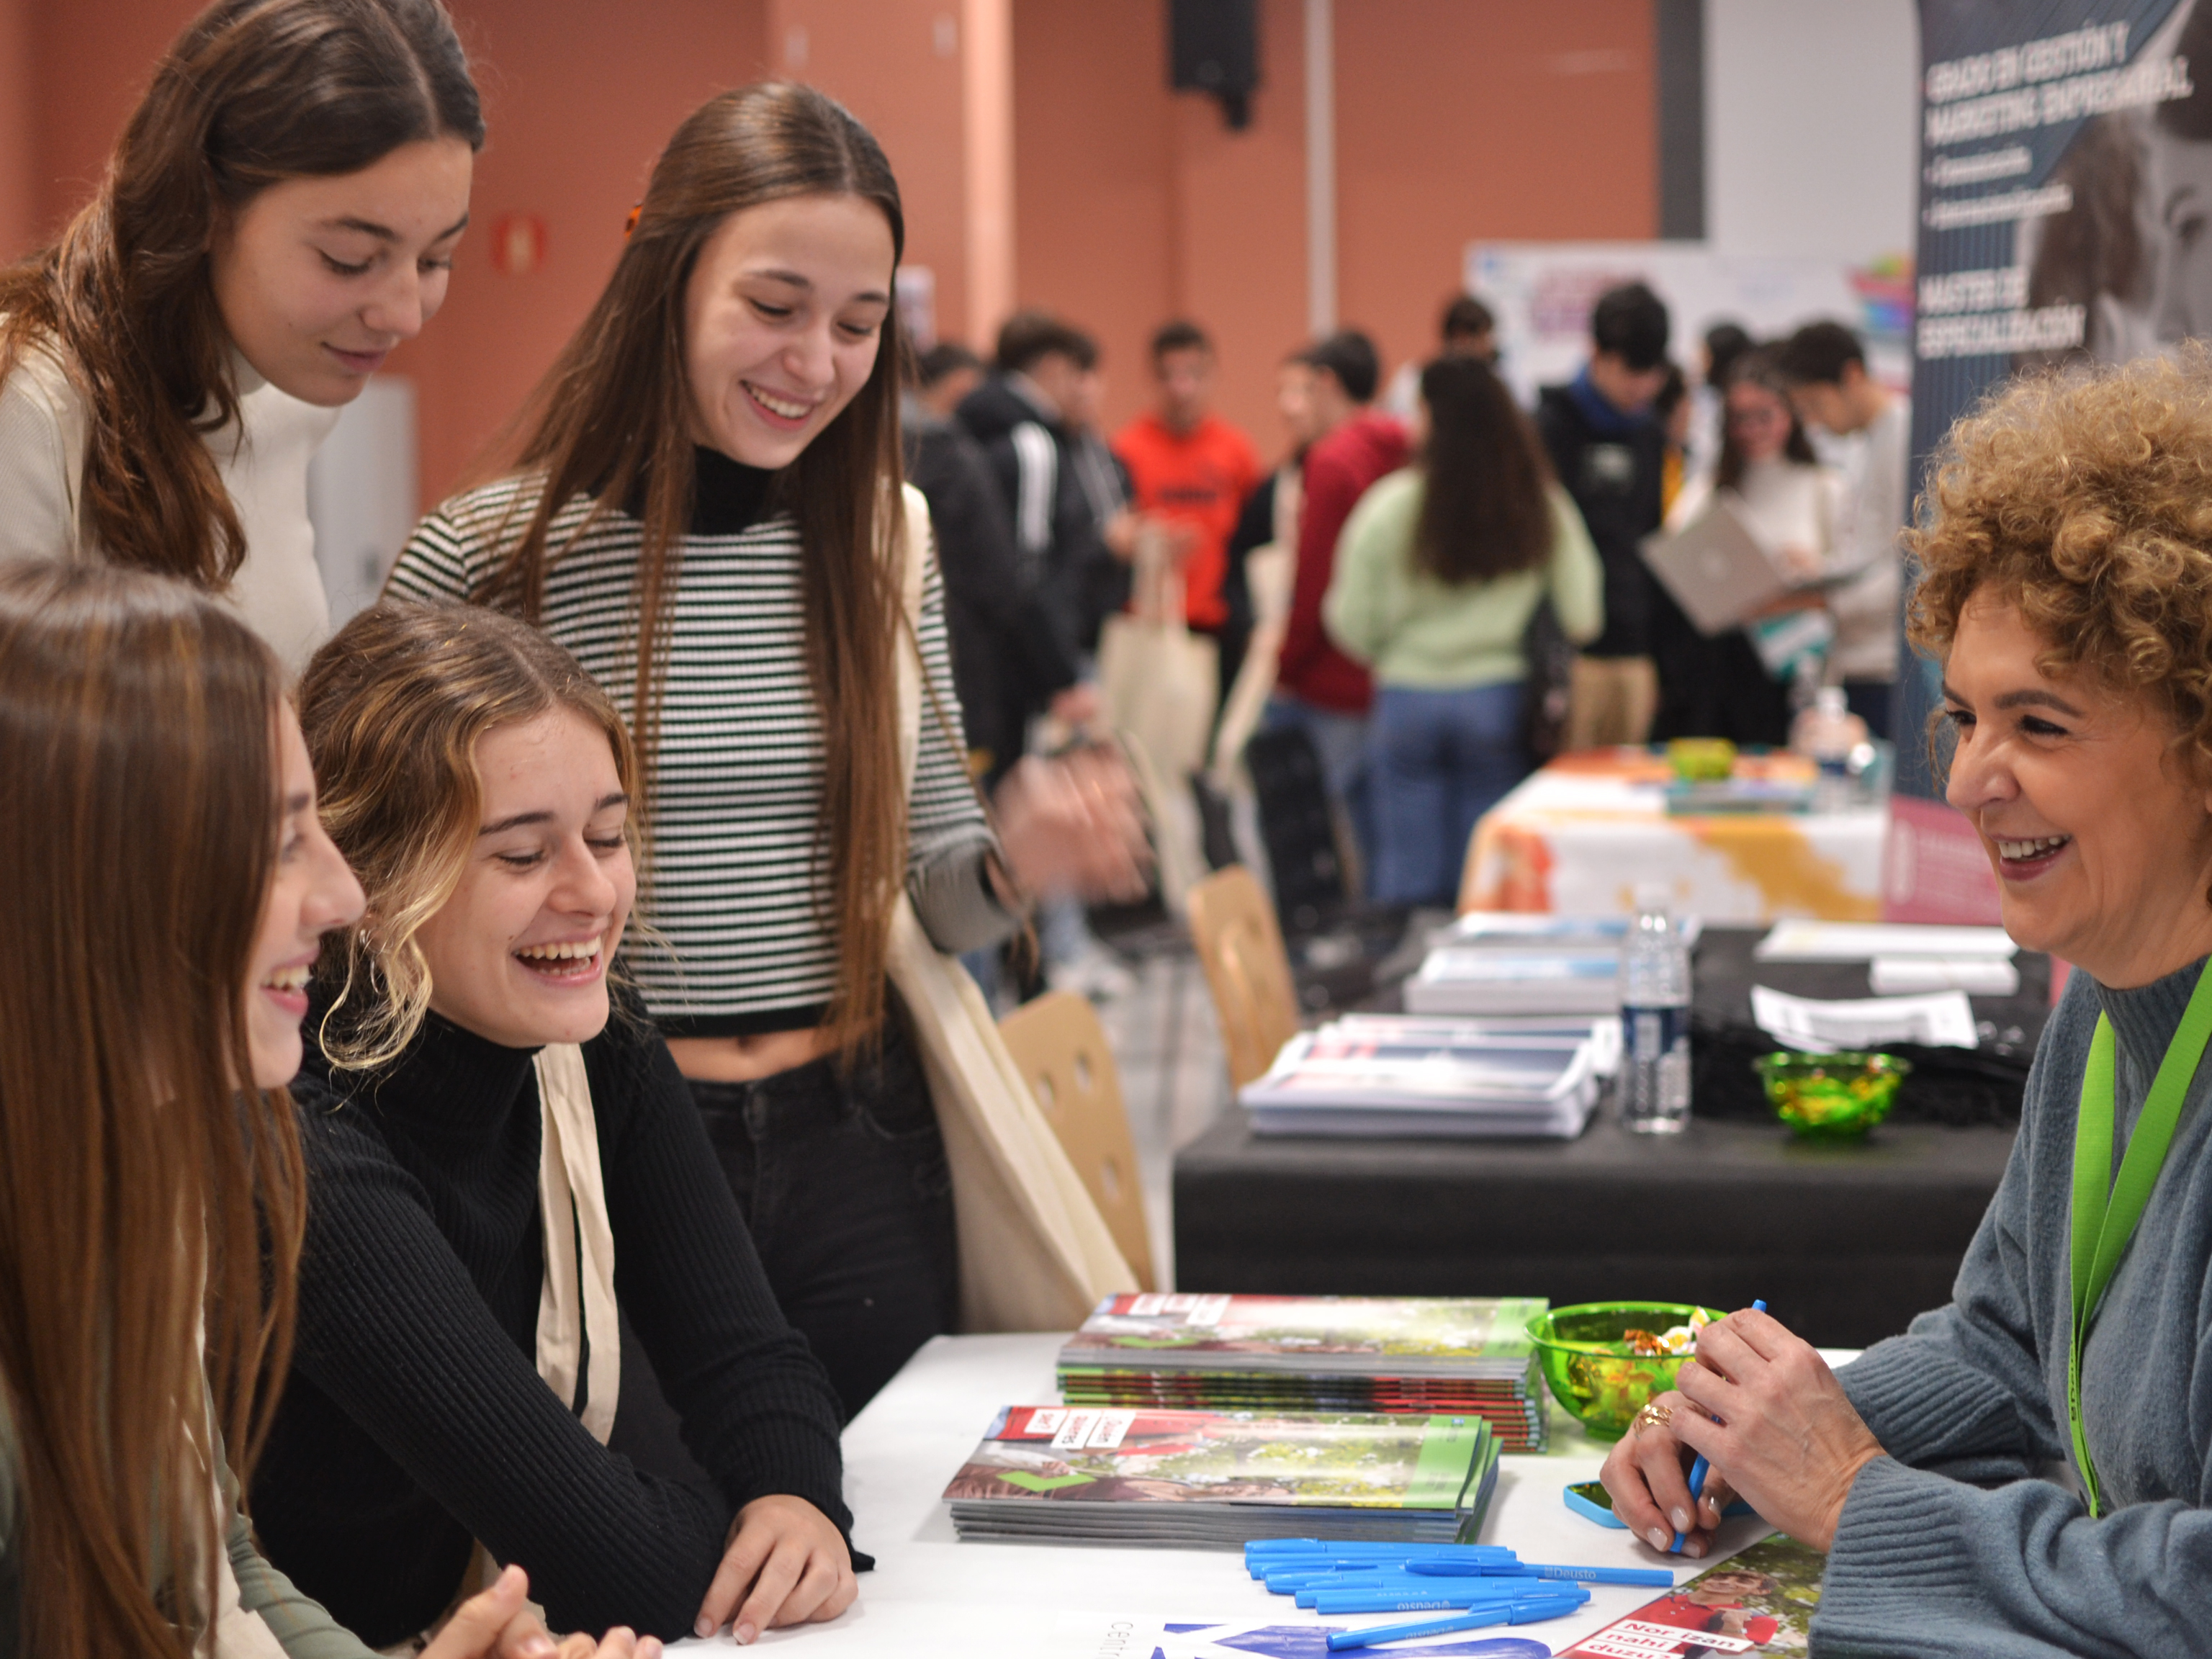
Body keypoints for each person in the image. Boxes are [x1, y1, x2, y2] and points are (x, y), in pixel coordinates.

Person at [387, 84, 1147, 1422]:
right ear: (666, 277)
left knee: (891, 1551)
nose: (816, 359)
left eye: (861, 325)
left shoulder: (879, 542)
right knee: (661, 1571)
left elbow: (934, 886)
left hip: (859, 1126)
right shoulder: (492, 558)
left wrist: (1019, 861)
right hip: (598, 1134)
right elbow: (397, 902)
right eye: (774, 306)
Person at [1601, 349, 2212, 1654]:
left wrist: (1850, 1495)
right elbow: (2003, 1346)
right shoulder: (2104, 1014)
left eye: (2038, 725)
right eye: (1963, 719)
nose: (1975, 779)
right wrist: (1750, 1431)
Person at [0, 562, 653, 1659]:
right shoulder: (279, 1151)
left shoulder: (131, 1178)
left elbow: (216, 1571)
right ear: (97, 878)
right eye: (278, 843)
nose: (343, 898)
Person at [258, 601, 856, 1649]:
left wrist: (797, 1500)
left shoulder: (591, 1032)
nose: (593, 893)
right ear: (377, 879)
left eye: (610, 837)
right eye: (523, 857)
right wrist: (743, 1531)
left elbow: (752, 1363)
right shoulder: (308, 1135)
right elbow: (622, 1566)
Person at [0, 0, 480, 674]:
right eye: (348, 258)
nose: (405, 315)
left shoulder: (292, 394)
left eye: (436, 259)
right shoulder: (30, 404)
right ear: (202, 204)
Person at [1322, 356, 1602, 906]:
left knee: (1406, 872)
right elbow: (1584, 614)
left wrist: (1396, 650)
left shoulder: (1388, 508)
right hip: (1498, 701)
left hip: (1406, 701)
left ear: (1429, 419)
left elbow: (1349, 621)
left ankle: (1408, 979)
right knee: (1489, 874)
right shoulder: (1539, 504)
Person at [1268, 328, 1407, 874]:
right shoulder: (1406, 448)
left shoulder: (1332, 462)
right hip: (1390, 670)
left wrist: (1286, 666)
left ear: (1327, 383)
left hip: (1330, 675)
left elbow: (1317, 584)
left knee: (1301, 831)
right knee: (1377, 831)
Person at [1655, 348, 1844, 746]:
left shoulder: (1821, 485)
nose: (1753, 429)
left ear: (1790, 414)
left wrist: (1812, 568)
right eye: (1740, 418)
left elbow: (1848, 576)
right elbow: (1676, 550)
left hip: (1792, 665)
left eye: (1765, 415)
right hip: (1720, 669)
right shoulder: (1712, 486)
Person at [907, 344, 1077, 786]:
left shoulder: (862, 450)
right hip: (971, 674)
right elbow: (1012, 576)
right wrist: (1057, 673)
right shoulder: (962, 456)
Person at [1534, 282, 1671, 750]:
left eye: (1651, 373)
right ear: (1596, 353)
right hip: (1572, 652)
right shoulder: (1550, 425)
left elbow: (1652, 534)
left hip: (1635, 648)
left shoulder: (1650, 431)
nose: (1641, 386)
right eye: (1629, 371)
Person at [1112, 319, 1263, 701]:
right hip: (1147, 624)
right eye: (1169, 376)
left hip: (1219, 625)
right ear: (1152, 379)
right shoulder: (1125, 450)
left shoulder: (1236, 451)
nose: (1182, 389)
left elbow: (1254, 540)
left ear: (1213, 375)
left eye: (1194, 375)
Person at [1779, 320, 1912, 741]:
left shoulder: (1907, 433)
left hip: (1891, 660)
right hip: (1857, 655)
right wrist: (1822, 569)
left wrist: (1825, 596)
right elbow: (1871, 553)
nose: (1814, 422)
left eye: (1816, 403)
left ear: (1851, 375)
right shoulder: (1864, 442)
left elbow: (1918, 567)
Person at [1380, 292, 1498, 421]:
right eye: (1484, 339)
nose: (1489, 349)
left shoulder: (1485, 388)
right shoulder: (1411, 380)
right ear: (1462, 337)